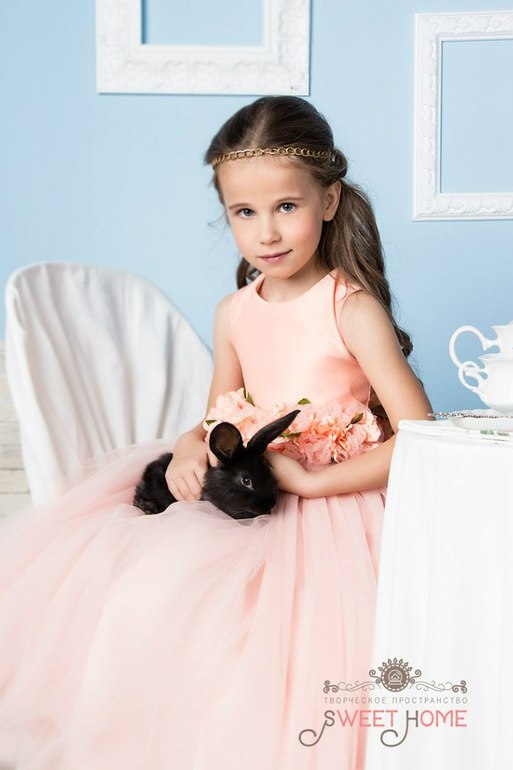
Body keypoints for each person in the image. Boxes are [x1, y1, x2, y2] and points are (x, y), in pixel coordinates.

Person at [0, 96, 432, 770]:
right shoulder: (233, 312)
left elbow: (420, 440)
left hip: (334, 510)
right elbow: (218, 417)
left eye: (285, 206)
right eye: (244, 212)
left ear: (327, 200)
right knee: (154, 595)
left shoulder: (349, 308)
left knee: (305, 648)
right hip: (248, 499)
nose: (266, 232)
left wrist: (311, 483)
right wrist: (186, 446)